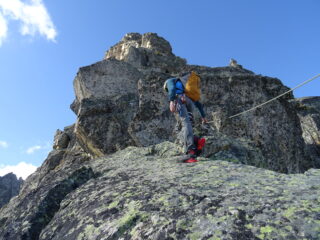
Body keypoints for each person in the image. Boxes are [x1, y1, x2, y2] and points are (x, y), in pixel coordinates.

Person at [163, 77, 205, 163]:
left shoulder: (169, 81)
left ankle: (190, 151)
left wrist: (171, 101)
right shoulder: (186, 89)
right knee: (180, 127)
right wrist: (203, 116)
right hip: (189, 102)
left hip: (180, 100)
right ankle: (195, 140)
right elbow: (198, 103)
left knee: (185, 124)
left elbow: (172, 89)